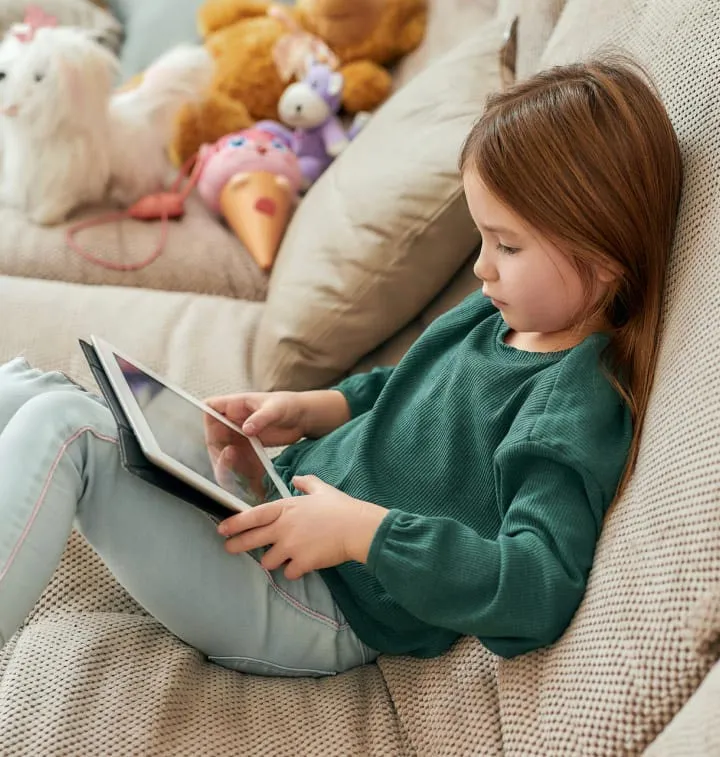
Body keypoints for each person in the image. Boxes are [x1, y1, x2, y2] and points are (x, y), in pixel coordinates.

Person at [0, 56, 682, 677]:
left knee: (68, 428)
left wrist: (365, 533)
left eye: (506, 244)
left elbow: (536, 588)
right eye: (483, 237)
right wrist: (311, 408)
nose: (480, 267)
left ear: (602, 261)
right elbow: (406, 388)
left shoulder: (571, 405)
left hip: (314, 604)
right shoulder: (502, 315)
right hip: (270, 503)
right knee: (36, 385)